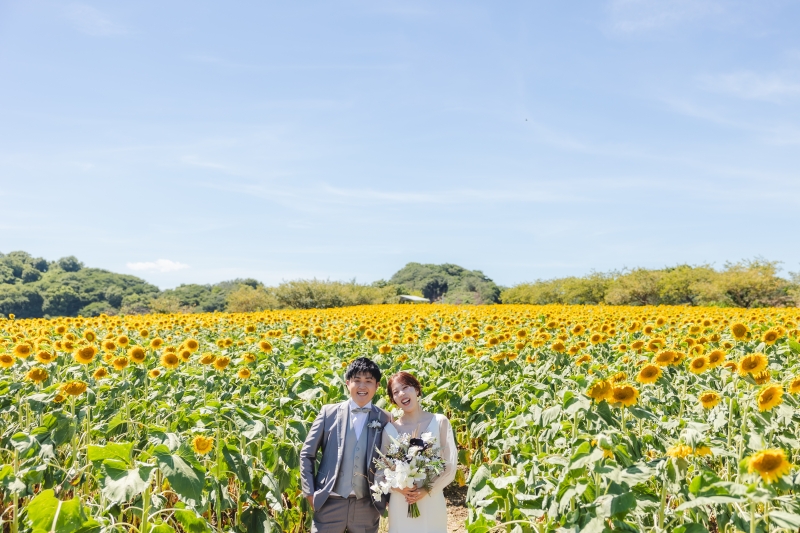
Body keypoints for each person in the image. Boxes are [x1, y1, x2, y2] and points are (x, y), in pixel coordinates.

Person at [300, 357, 392, 533]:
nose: (362, 386)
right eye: (357, 381)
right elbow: (307, 454)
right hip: (329, 502)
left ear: (377, 386)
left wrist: (386, 497)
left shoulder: (385, 418)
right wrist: (310, 494)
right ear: (347, 383)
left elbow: (391, 459)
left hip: (366, 505)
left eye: (368, 381)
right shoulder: (328, 413)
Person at [378, 371, 457, 533]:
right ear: (393, 400)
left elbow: (450, 466)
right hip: (402, 501)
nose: (402, 394)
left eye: (406, 387)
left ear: (416, 389)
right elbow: (381, 471)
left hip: (432, 499)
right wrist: (400, 488)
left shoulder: (440, 421)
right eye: (396, 392)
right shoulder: (390, 430)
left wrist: (426, 489)